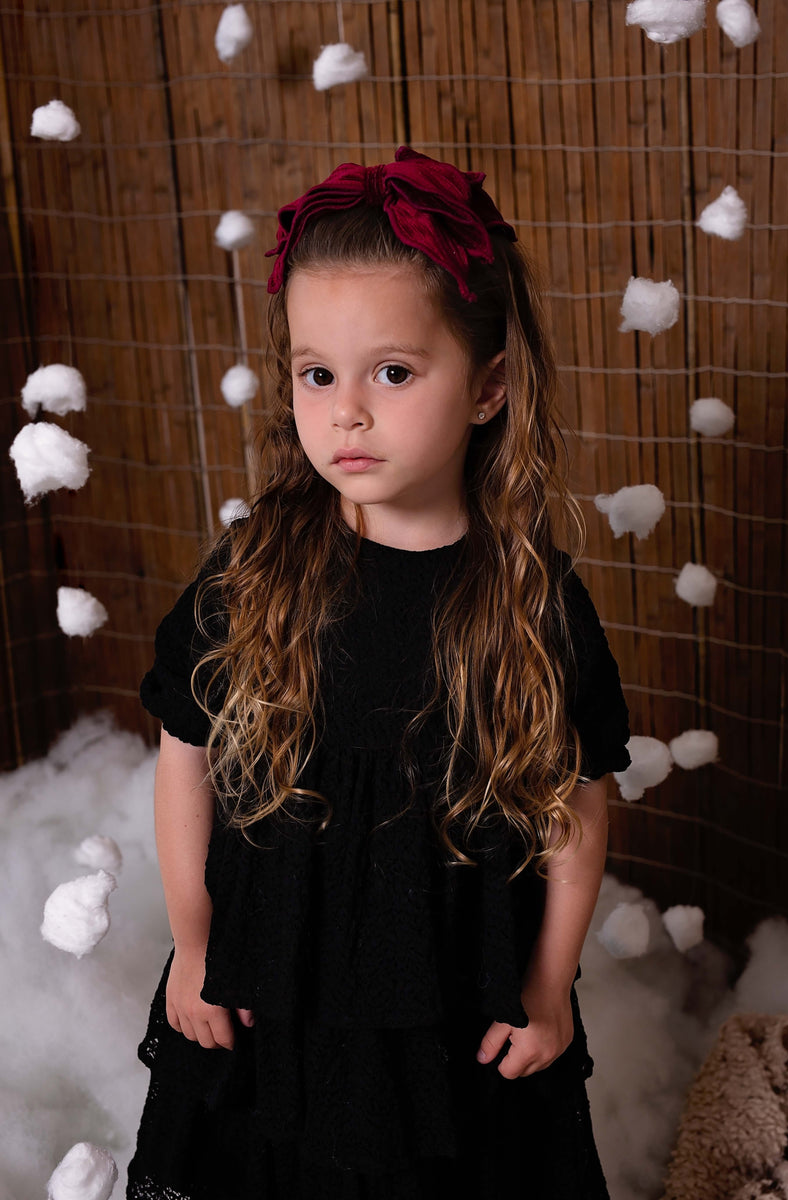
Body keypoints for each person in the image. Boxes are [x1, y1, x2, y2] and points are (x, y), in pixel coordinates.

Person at [127, 146, 631, 1200]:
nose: (345, 412)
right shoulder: (256, 571)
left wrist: (547, 987)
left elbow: (577, 802)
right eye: (318, 374)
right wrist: (194, 943)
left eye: (392, 373)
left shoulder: (529, 600)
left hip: (451, 1017)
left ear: (488, 386)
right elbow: (185, 754)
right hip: (274, 993)